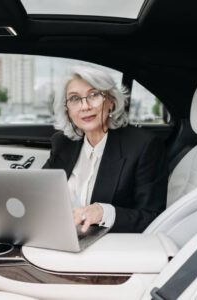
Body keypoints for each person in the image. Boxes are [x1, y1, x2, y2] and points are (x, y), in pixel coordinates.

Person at [43, 65, 168, 233]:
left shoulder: (144, 146)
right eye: (74, 99)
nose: (84, 106)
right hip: (60, 233)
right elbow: (41, 192)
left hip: (108, 244)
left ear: (111, 101)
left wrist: (104, 213)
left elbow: (152, 217)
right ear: (67, 110)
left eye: (94, 95)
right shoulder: (63, 143)